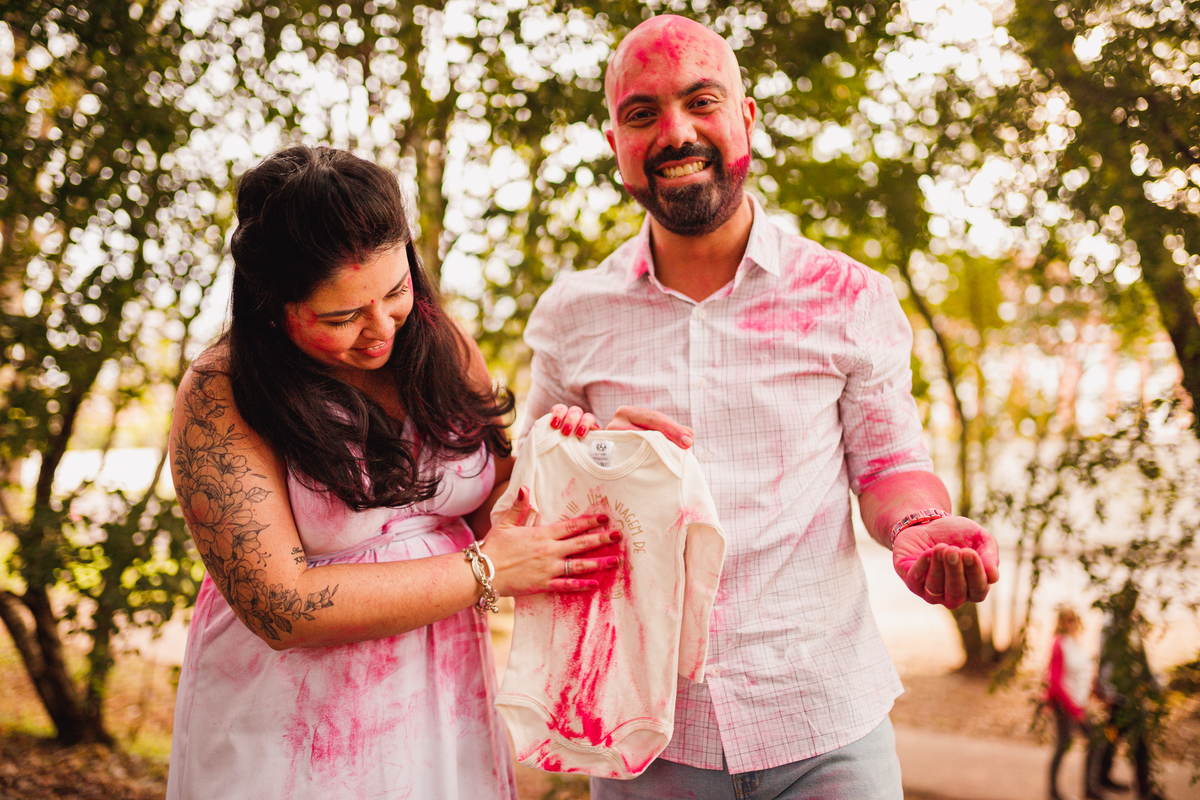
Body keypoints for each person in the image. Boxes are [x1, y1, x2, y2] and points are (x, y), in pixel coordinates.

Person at [520, 15, 1001, 798]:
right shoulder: (574, 315)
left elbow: (888, 468)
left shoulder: (849, 298)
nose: (675, 132)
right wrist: (597, 456)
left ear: (746, 119)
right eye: (642, 113)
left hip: (825, 727)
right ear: (616, 145)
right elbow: (528, 499)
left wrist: (918, 527)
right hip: (647, 741)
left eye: (700, 101)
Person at [165, 145, 629, 800]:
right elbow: (280, 606)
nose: (380, 328)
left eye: (393, 292)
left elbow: (497, 501)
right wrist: (485, 571)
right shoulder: (223, 390)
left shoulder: (441, 347)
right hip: (292, 727)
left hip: (442, 708)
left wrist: (591, 452)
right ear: (273, 306)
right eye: (341, 316)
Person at [1087, 584, 1165, 800]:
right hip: (1119, 697)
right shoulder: (1112, 626)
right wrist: (1107, 691)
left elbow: (1141, 658)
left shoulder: (1132, 624)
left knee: (1137, 741)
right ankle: (1106, 779)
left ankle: (1142, 787)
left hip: (1132, 695)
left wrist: (1153, 683)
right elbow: (1105, 660)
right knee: (1114, 739)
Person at [1044, 606, 1098, 800]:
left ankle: (1090, 787)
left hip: (1079, 702)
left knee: (1095, 741)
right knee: (1062, 746)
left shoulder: (1076, 643)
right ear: (1060, 622)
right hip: (1065, 705)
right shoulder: (1059, 644)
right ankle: (1053, 791)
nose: (1071, 624)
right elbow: (1056, 682)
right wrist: (1075, 711)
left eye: (1073, 620)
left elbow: (1081, 674)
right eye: (1066, 620)